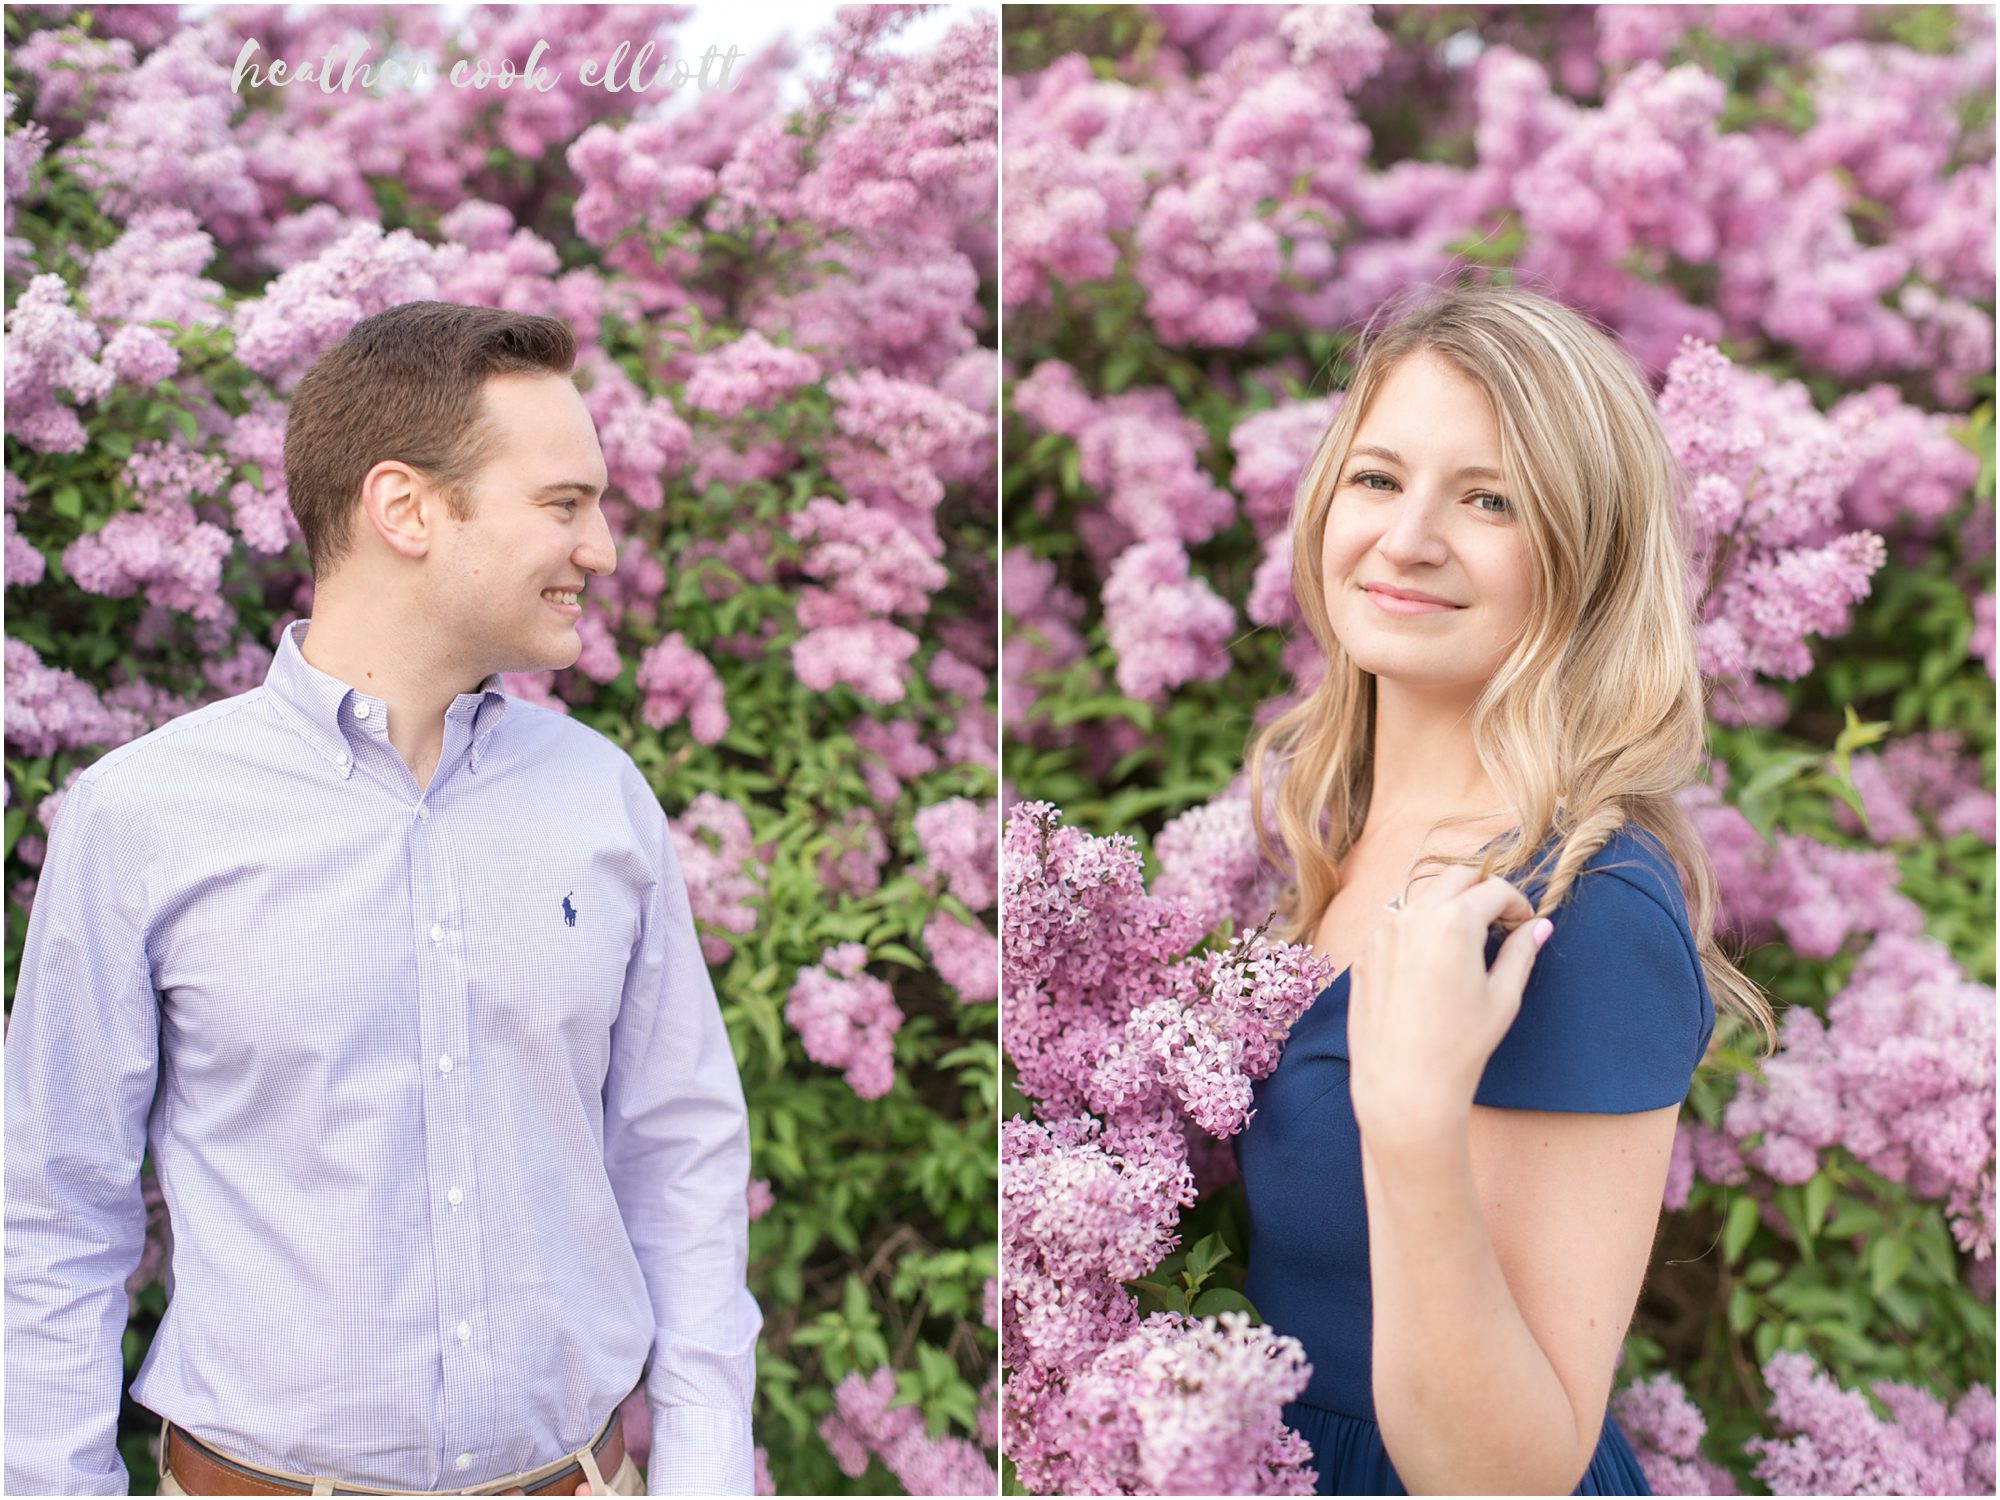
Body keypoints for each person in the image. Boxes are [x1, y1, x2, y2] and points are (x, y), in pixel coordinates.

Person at [6, 302, 760, 1497]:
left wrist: (708, 1469)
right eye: (562, 505)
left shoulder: (601, 803)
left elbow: (677, 1151)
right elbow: (51, 1213)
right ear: (406, 507)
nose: (602, 548)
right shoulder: (139, 817)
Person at [1236, 283, 1775, 1496]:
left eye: (1488, 501)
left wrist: (1411, 1122)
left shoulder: (1581, 912)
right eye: (1378, 479)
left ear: (1585, 559)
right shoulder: (1327, 831)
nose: (1408, 538)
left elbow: (1510, 1478)